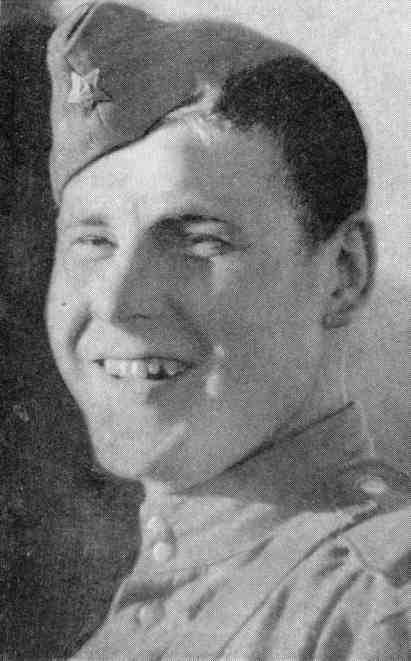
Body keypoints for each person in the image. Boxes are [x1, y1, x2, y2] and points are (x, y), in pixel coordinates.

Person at [45, 2, 408, 658]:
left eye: (199, 239)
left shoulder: (375, 609)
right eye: (92, 240)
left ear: (343, 273)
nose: (117, 301)